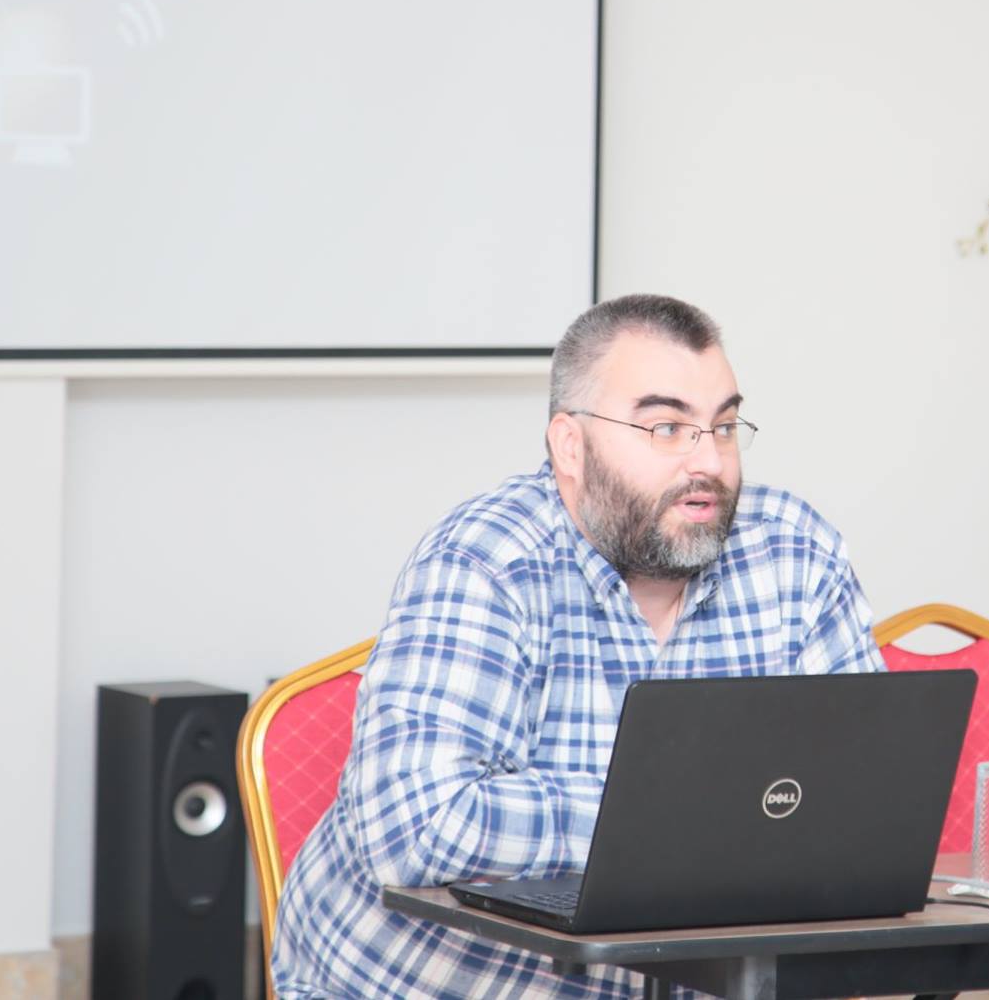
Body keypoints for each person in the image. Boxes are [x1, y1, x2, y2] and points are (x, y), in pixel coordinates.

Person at [271, 294, 885, 998]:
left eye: (722, 427)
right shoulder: (486, 561)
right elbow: (416, 828)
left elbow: (865, 809)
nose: (709, 461)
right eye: (666, 427)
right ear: (571, 445)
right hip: (427, 984)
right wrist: (682, 813)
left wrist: (708, 821)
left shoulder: (796, 554)